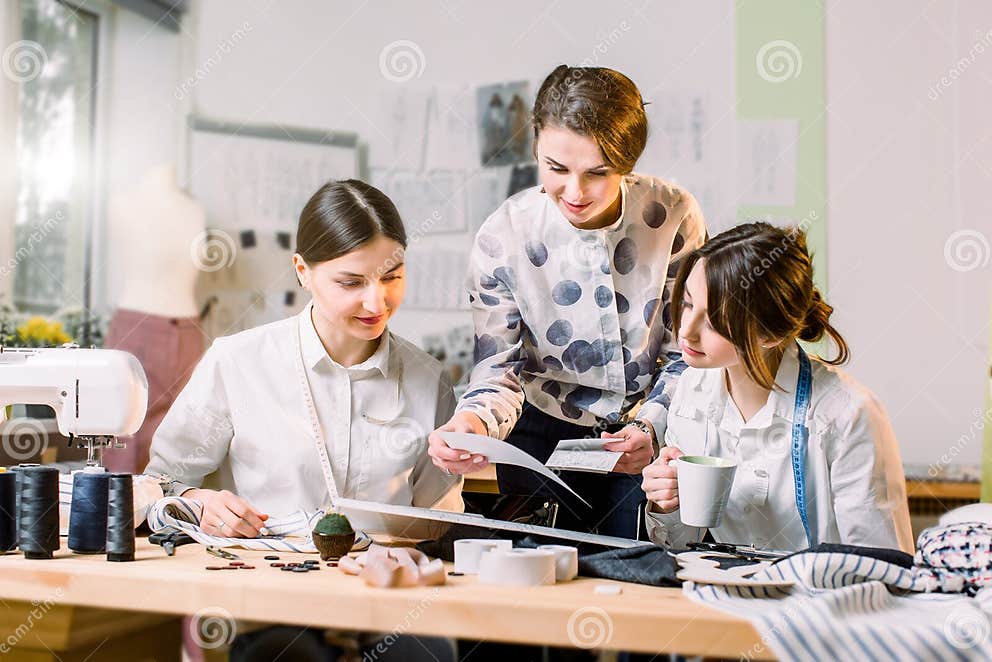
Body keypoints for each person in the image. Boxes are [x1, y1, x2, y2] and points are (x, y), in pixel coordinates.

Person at [146, 179, 460, 661]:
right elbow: (161, 485)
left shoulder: (428, 380)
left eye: (392, 276)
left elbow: (437, 521)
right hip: (265, 608)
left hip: (382, 611)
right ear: (302, 271)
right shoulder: (238, 362)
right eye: (351, 283)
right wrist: (194, 501)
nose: (376, 304)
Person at [427, 65, 708, 540]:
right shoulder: (504, 235)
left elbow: (688, 353)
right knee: (535, 579)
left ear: (628, 162)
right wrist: (472, 423)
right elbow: (499, 369)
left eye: (597, 173)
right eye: (556, 169)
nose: (574, 193)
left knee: (639, 572)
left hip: (643, 429)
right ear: (536, 145)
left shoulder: (672, 214)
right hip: (541, 427)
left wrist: (654, 426)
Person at [641, 222, 913, 553]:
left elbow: (883, 566)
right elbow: (682, 545)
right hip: (728, 593)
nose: (686, 331)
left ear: (770, 335)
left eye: (712, 321)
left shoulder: (847, 414)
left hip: (829, 599)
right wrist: (667, 505)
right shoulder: (691, 389)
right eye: (686, 303)